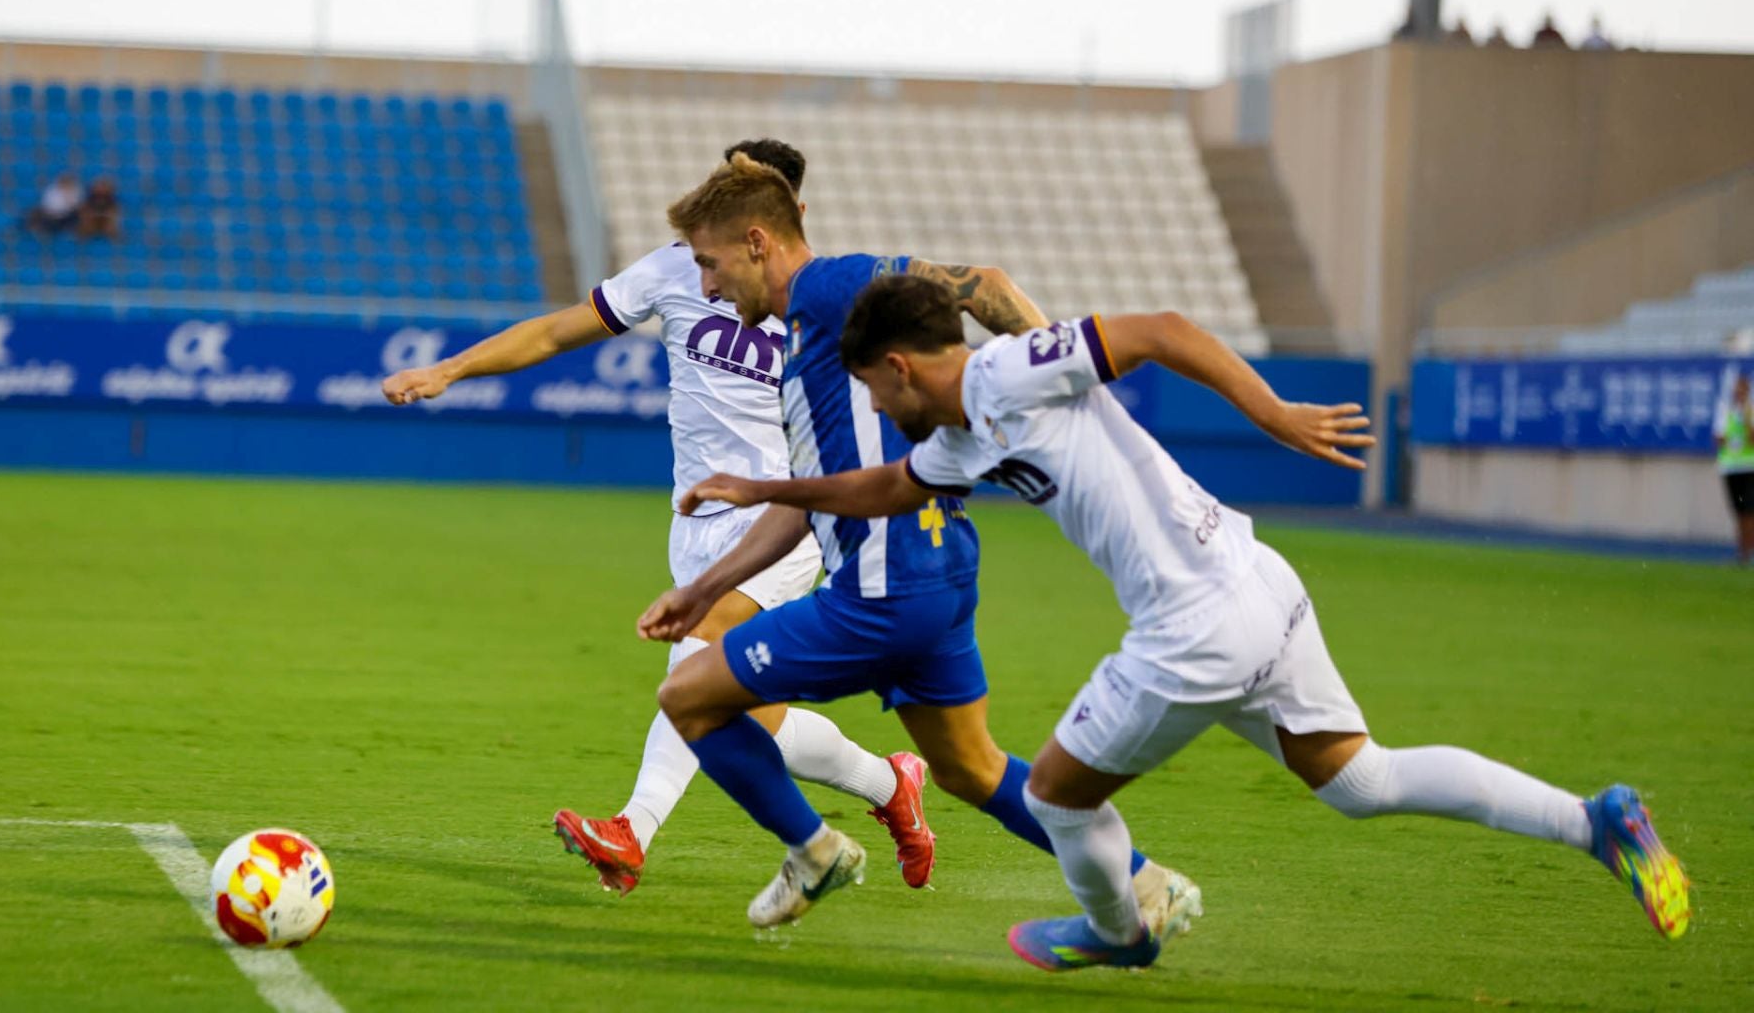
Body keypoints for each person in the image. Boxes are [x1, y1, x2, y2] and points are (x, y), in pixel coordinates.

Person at [684, 275, 1693, 969]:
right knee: (1361, 777)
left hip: (1196, 623)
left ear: (898, 366)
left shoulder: (1004, 372)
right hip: (1256, 579)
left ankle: (1119, 931)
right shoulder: (960, 437)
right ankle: (1594, 818)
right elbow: (885, 485)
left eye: (870, 386)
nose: (874, 401)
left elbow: (1162, 328)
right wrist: (767, 481)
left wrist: (1275, 412)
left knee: (1066, 797)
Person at [637, 157, 1201, 935]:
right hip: (938, 576)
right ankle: (1145, 884)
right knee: (973, 771)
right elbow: (812, 499)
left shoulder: (832, 288)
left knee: (689, 697)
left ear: (759, 243)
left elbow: (988, 287)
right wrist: (705, 590)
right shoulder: (804, 344)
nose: (705, 287)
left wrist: (1080, 407)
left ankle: (815, 850)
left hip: (881, 587)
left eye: (710, 263)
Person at [380, 141, 935, 896]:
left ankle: (633, 830)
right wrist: (448, 369)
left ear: (778, 215)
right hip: (697, 520)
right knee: (753, 719)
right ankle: (889, 784)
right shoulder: (678, 268)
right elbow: (555, 331)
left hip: (780, 520)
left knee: (699, 662)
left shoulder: (827, 297)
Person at [1715, 372, 1754, 566]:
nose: (1738, 393)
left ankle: (1748, 551)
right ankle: (1743, 551)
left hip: (1748, 466)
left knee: (1749, 510)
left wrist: (1746, 418)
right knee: (1738, 511)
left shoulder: (1751, 411)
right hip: (1730, 467)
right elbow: (1718, 438)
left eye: (1742, 389)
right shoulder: (1725, 410)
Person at [25, 172, 84, 236]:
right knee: (35, 212)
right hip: (51, 213)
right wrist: (51, 212)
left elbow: (76, 206)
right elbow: (46, 203)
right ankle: (31, 228)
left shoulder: (77, 191)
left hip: (68, 215)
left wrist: (68, 197)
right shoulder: (52, 190)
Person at [79, 176, 122, 241]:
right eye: (99, 187)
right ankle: (83, 242)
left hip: (106, 219)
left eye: (104, 187)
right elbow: (85, 209)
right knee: (86, 221)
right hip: (93, 219)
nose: (101, 189)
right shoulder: (90, 198)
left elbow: (115, 210)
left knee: (112, 222)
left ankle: (114, 243)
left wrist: (107, 214)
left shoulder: (111, 198)